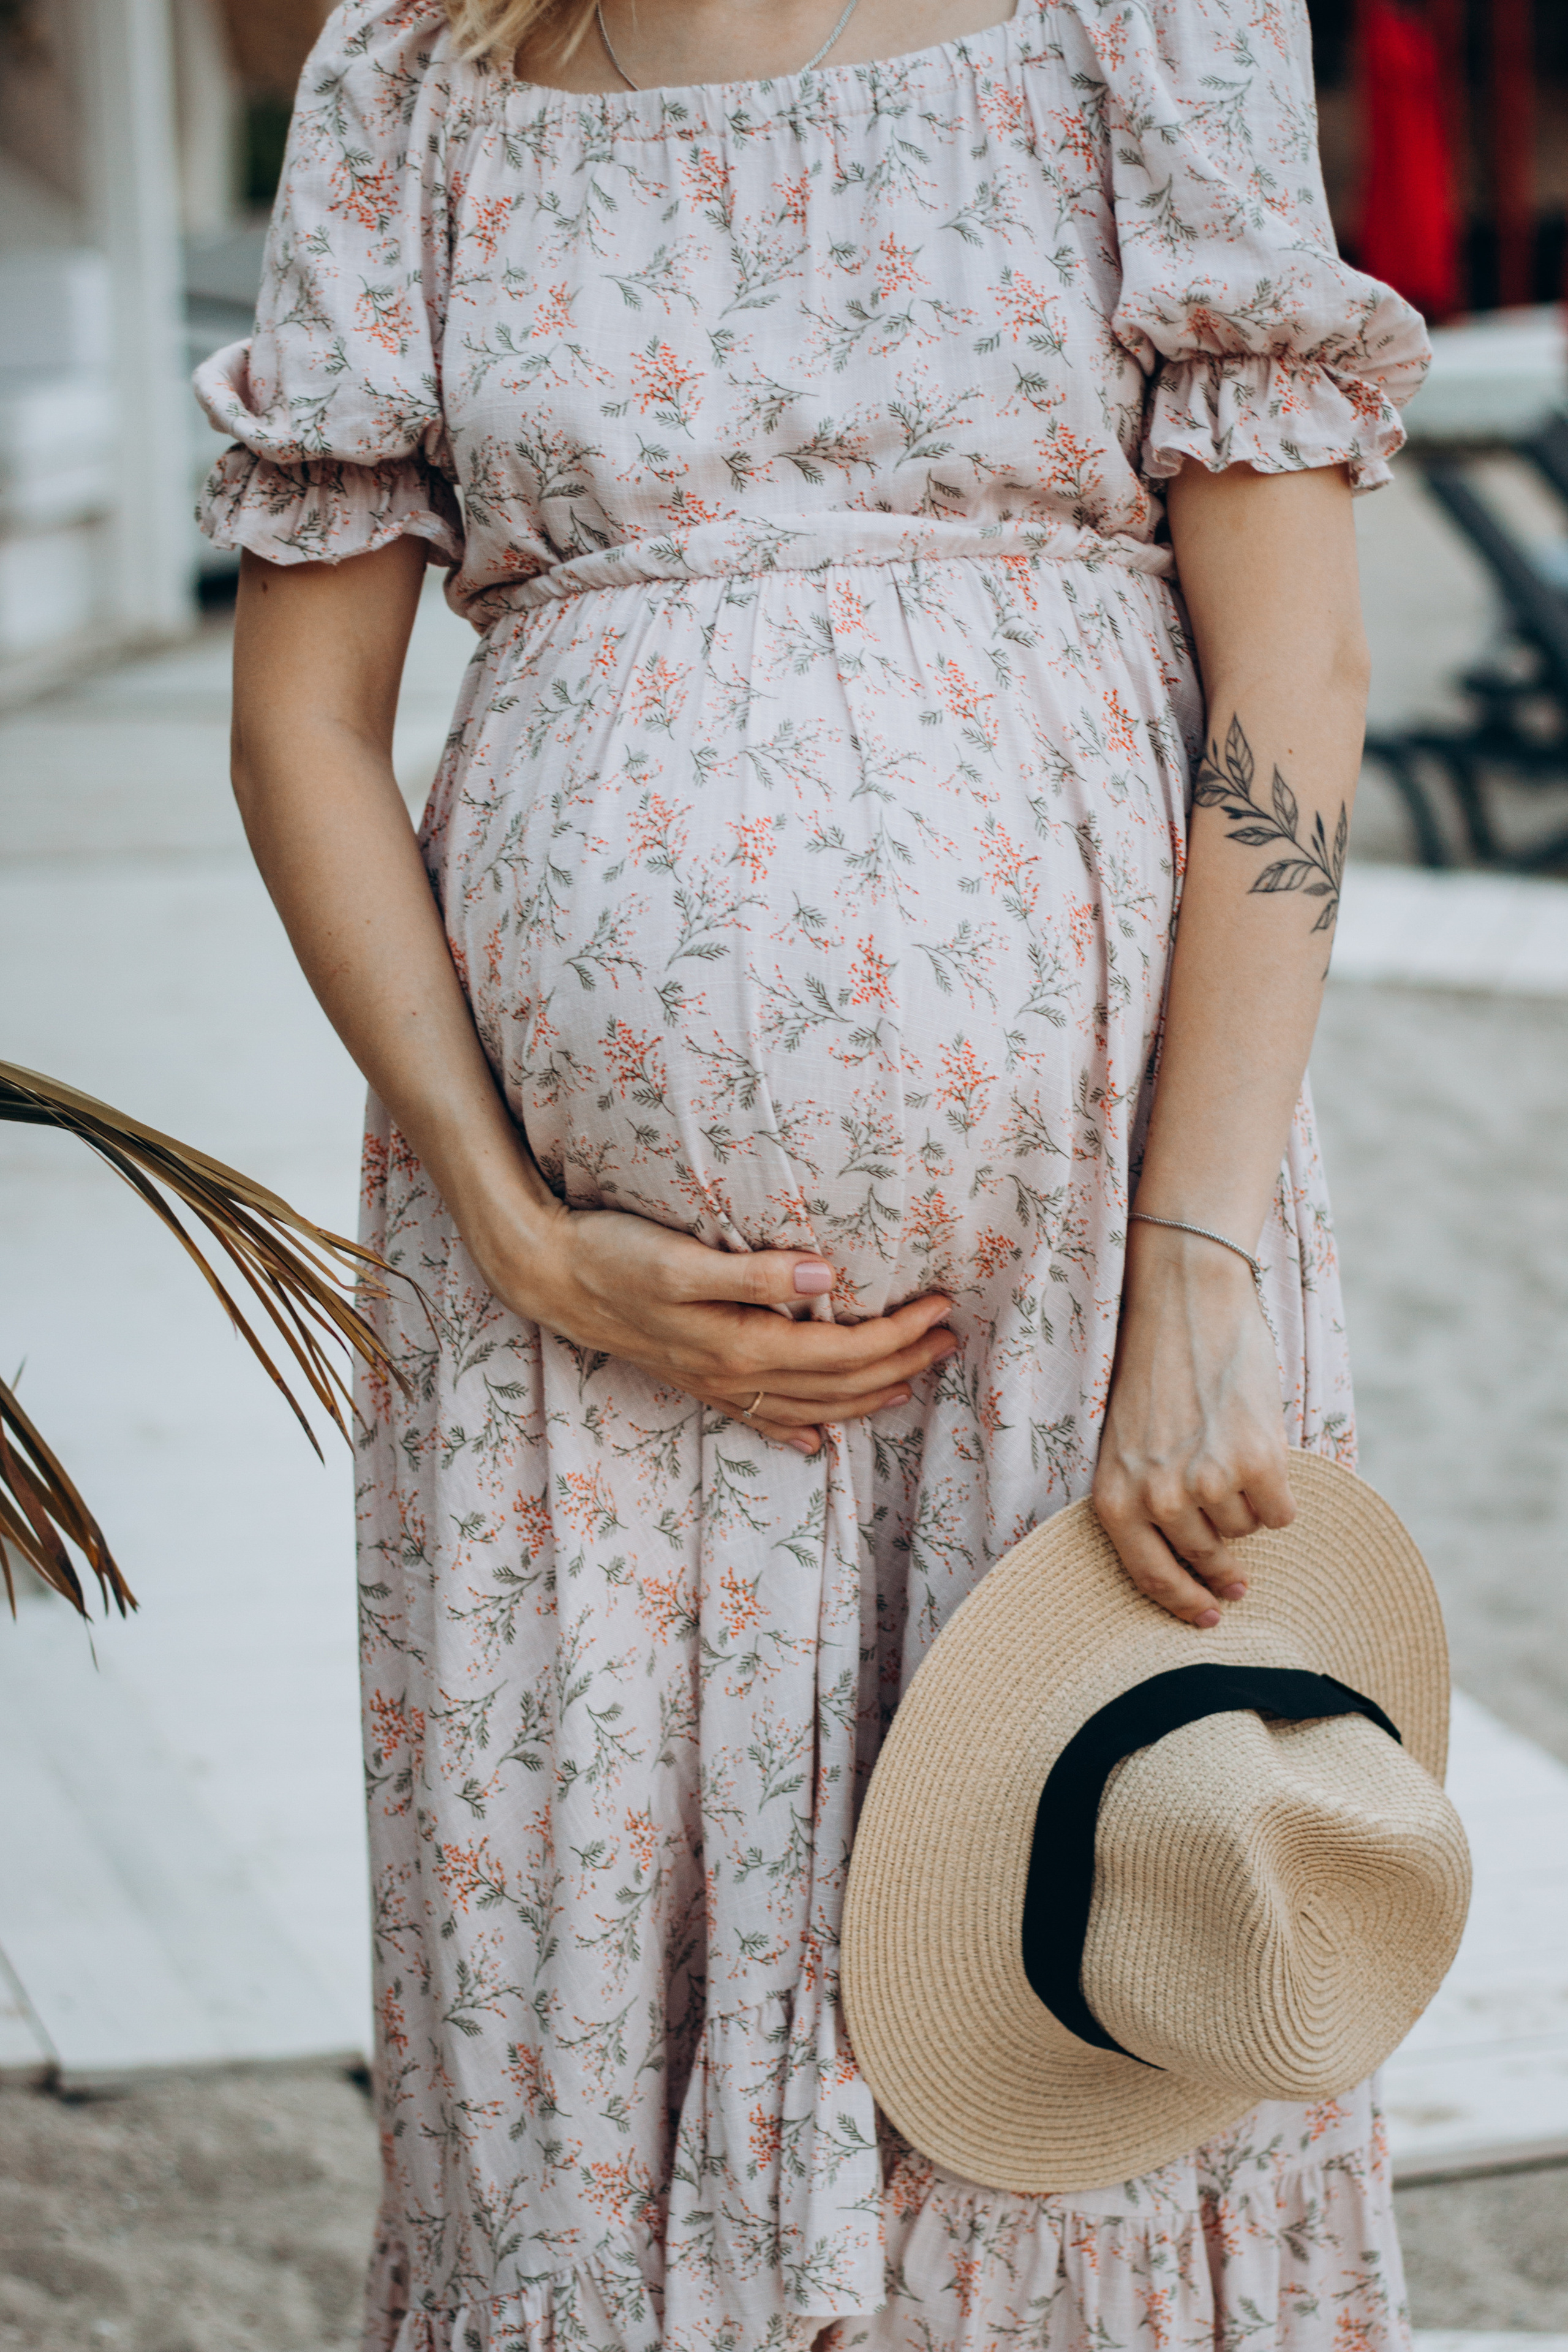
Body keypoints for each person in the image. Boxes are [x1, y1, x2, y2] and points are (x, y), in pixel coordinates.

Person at [196, 0, 1430, 2344]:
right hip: (585, 1342)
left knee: (1084, 1948)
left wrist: (1196, 1268)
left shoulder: (1143, 24)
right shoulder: (425, 70)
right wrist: (522, 1222)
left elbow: (1296, 678)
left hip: (1087, 1273)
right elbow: (301, 725)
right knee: (601, 1978)